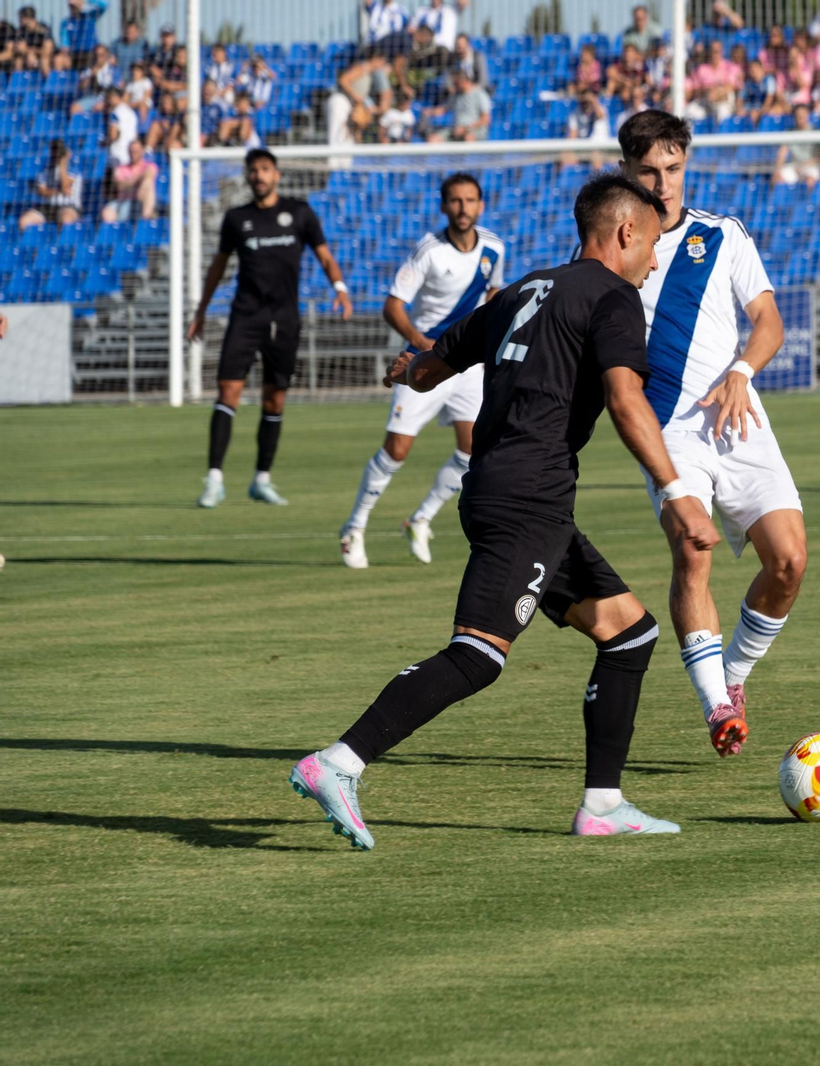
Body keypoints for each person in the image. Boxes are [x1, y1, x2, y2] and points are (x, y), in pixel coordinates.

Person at [290, 174, 718, 846]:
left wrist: (409, 370)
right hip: (529, 500)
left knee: (629, 633)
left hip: (508, 490)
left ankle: (602, 805)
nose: (656, 262)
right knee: (478, 655)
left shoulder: (522, 289)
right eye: (654, 246)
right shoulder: (613, 297)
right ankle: (338, 762)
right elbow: (626, 400)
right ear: (626, 231)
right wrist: (677, 492)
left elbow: (431, 367)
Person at [618, 109, 806, 758]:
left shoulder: (722, 235)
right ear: (626, 170)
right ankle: (716, 706)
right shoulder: (613, 253)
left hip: (739, 419)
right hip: (668, 433)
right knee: (692, 549)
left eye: (673, 169)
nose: (663, 183)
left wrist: (741, 371)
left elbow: (769, 322)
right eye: (649, 170)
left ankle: (734, 674)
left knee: (789, 562)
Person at [341, 174, 504, 568]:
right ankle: (354, 528)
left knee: (472, 449)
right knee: (397, 450)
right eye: (455, 201)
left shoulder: (495, 248)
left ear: (480, 205)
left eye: (470, 200)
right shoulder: (429, 251)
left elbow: (493, 294)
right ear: (444, 206)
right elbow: (392, 306)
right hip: (424, 361)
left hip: (467, 364)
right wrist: (421, 342)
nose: (463, 208)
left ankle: (420, 519)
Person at [187, 149, 354, 508]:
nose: (259, 176)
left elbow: (325, 256)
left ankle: (261, 479)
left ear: (276, 174)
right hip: (245, 317)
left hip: (284, 319)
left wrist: (340, 289)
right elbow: (218, 266)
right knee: (227, 391)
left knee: (274, 398)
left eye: (265, 169)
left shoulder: (300, 213)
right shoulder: (237, 218)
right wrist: (201, 310)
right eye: (253, 170)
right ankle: (214, 480)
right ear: (248, 176)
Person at [19, 139, 81, 230]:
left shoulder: (73, 171)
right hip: (46, 207)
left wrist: (62, 164)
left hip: (68, 206)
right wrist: (58, 191)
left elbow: (65, 186)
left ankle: (62, 239)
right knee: (24, 221)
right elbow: (41, 191)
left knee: (66, 220)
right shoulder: (45, 172)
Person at [101, 137, 158, 222]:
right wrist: (139, 177)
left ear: (142, 151)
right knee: (107, 213)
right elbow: (120, 186)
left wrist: (130, 182)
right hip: (123, 201)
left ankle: (145, 218)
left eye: (136, 151)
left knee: (147, 184)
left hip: (141, 201)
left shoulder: (149, 166)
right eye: (131, 151)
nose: (133, 154)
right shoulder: (121, 168)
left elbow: (150, 174)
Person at [426, 68, 490, 141]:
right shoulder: (455, 95)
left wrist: (466, 128)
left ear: (464, 81)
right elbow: (444, 109)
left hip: (473, 129)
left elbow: (485, 119)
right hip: (455, 129)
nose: (454, 86)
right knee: (433, 139)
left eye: (456, 83)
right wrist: (429, 112)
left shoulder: (480, 94)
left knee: (468, 137)